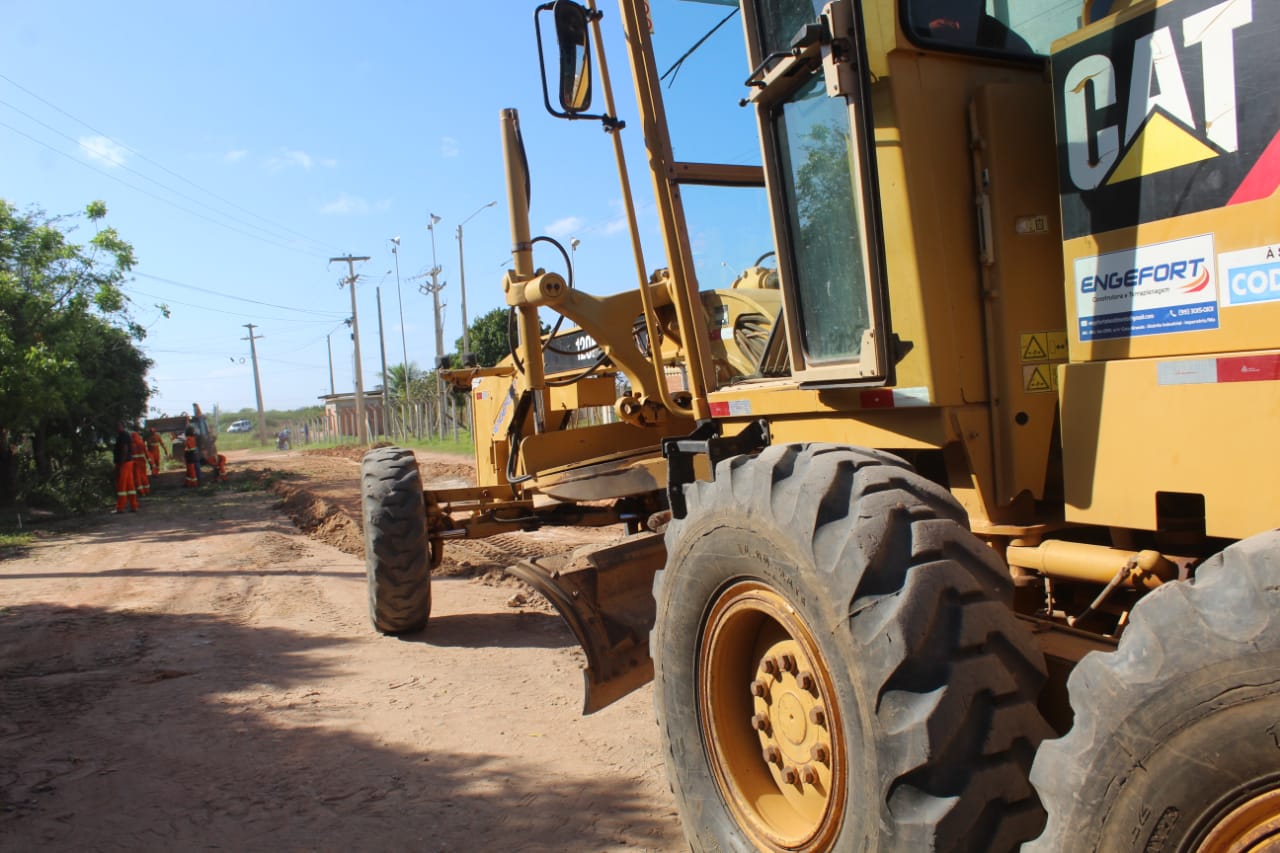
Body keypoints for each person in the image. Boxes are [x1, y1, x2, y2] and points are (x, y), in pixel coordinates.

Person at [113, 421, 138, 513]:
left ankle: (120, 507)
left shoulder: (123, 435)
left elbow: (125, 448)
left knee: (122, 485)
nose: (116, 428)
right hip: (128, 462)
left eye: (118, 426)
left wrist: (121, 463)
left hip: (125, 463)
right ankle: (133, 506)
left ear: (122, 426)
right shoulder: (124, 435)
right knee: (130, 485)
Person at [130, 427, 150, 498]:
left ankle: (141, 492)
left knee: (137, 478)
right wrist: (150, 461)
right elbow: (146, 452)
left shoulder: (131, 444)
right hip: (142, 461)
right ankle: (147, 490)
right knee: (144, 476)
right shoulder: (141, 442)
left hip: (135, 463)